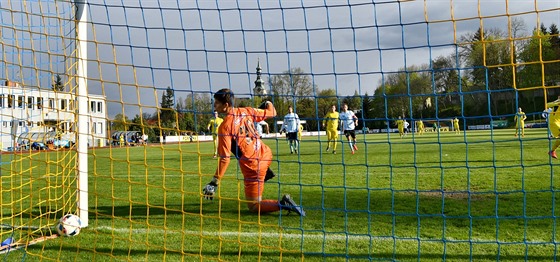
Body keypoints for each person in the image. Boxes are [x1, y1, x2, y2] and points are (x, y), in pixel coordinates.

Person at [202, 88, 305, 216]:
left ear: (226, 105)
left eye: (216, 103)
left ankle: (283, 203)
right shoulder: (246, 111)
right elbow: (272, 112)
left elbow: (225, 158)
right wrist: (267, 102)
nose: (214, 105)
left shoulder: (225, 127)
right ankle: (264, 174)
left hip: (253, 167)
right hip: (266, 154)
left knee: (254, 206)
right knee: (258, 166)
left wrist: (214, 182)